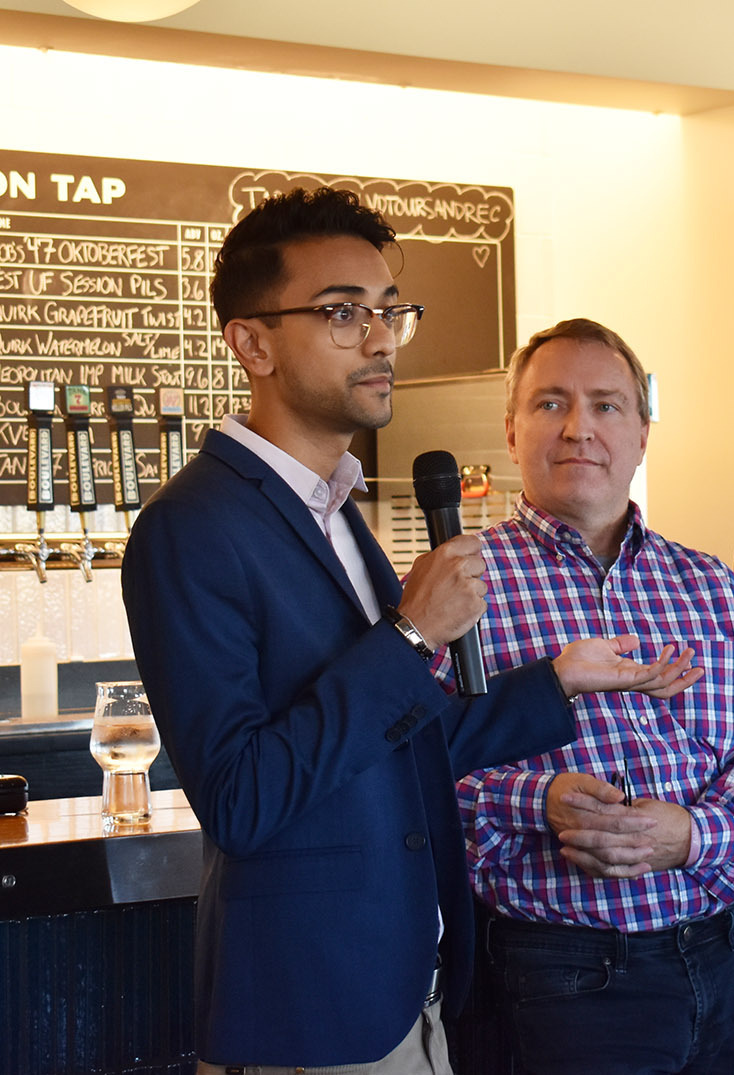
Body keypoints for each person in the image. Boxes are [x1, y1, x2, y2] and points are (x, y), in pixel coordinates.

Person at [122, 189, 696, 1073]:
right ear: (251, 342)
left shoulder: (337, 511)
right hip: (309, 1008)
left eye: (390, 310)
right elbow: (240, 798)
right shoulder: (193, 525)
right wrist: (407, 634)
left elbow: (404, 736)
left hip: (409, 988)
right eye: (343, 312)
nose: (382, 337)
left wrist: (560, 680)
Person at [442, 318, 734, 1075]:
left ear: (643, 432)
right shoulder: (455, 587)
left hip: (732, 953)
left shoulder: (712, 587)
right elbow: (409, 769)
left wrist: (695, 835)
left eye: (607, 405)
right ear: (511, 433)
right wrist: (534, 798)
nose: (579, 428)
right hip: (564, 975)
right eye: (550, 403)